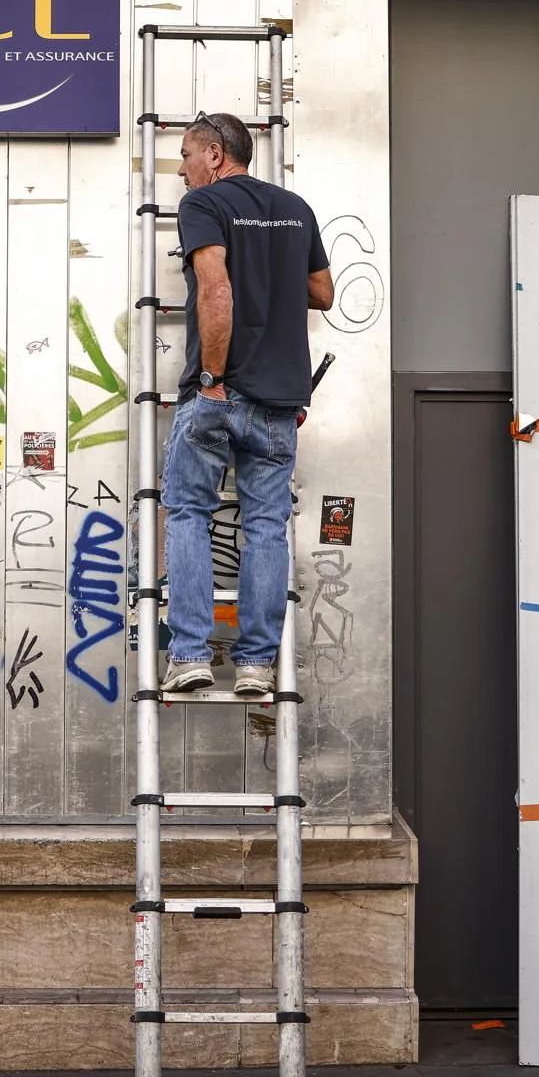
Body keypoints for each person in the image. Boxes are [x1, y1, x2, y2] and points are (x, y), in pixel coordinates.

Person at [162, 111, 333, 696]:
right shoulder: (297, 208)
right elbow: (323, 292)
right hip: (280, 402)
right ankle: (257, 665)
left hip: (221, 390)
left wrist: (211, 377)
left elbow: (217, 290)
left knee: (188, 514)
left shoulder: (203, 207)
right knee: (265, 526)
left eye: (185, 156)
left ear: (214, 154)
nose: (181, 170)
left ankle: (188, 654)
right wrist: (274, 272)